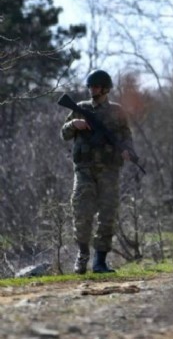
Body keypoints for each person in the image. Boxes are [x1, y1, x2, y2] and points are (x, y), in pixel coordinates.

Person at [60, 69, 134, 274]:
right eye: (90, 86)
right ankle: (82, 255)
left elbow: (126, 136)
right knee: (82, 213)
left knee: (108, 215)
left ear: (106, 88)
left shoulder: (117, 111)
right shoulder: (80, 108)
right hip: (84, 170)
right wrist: (73, 124)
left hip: (110, 170)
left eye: (96, 86)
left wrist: (128, 151)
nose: (92, 89)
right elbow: (64, 134)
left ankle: (99, 261)